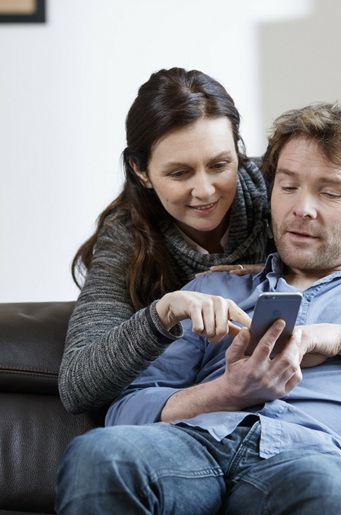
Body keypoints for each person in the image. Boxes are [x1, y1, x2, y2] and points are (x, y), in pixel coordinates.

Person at [56, 103, 341, 514]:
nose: (302, 208)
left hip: (311, 458)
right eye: (287, 187)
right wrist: (226, 392)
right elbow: (127, 408)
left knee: (323, 492)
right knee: (100, 454)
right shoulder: (216, 287)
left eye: (329, 192)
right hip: (196, 446)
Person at [59, 68, 273, 414]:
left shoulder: (282, 191)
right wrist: (165, 312)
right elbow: (77, 386)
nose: (205, 190)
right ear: (140, 170)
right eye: (179, 173)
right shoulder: (127, 237)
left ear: (238, 151)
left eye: (219, 165)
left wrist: (272, 268)